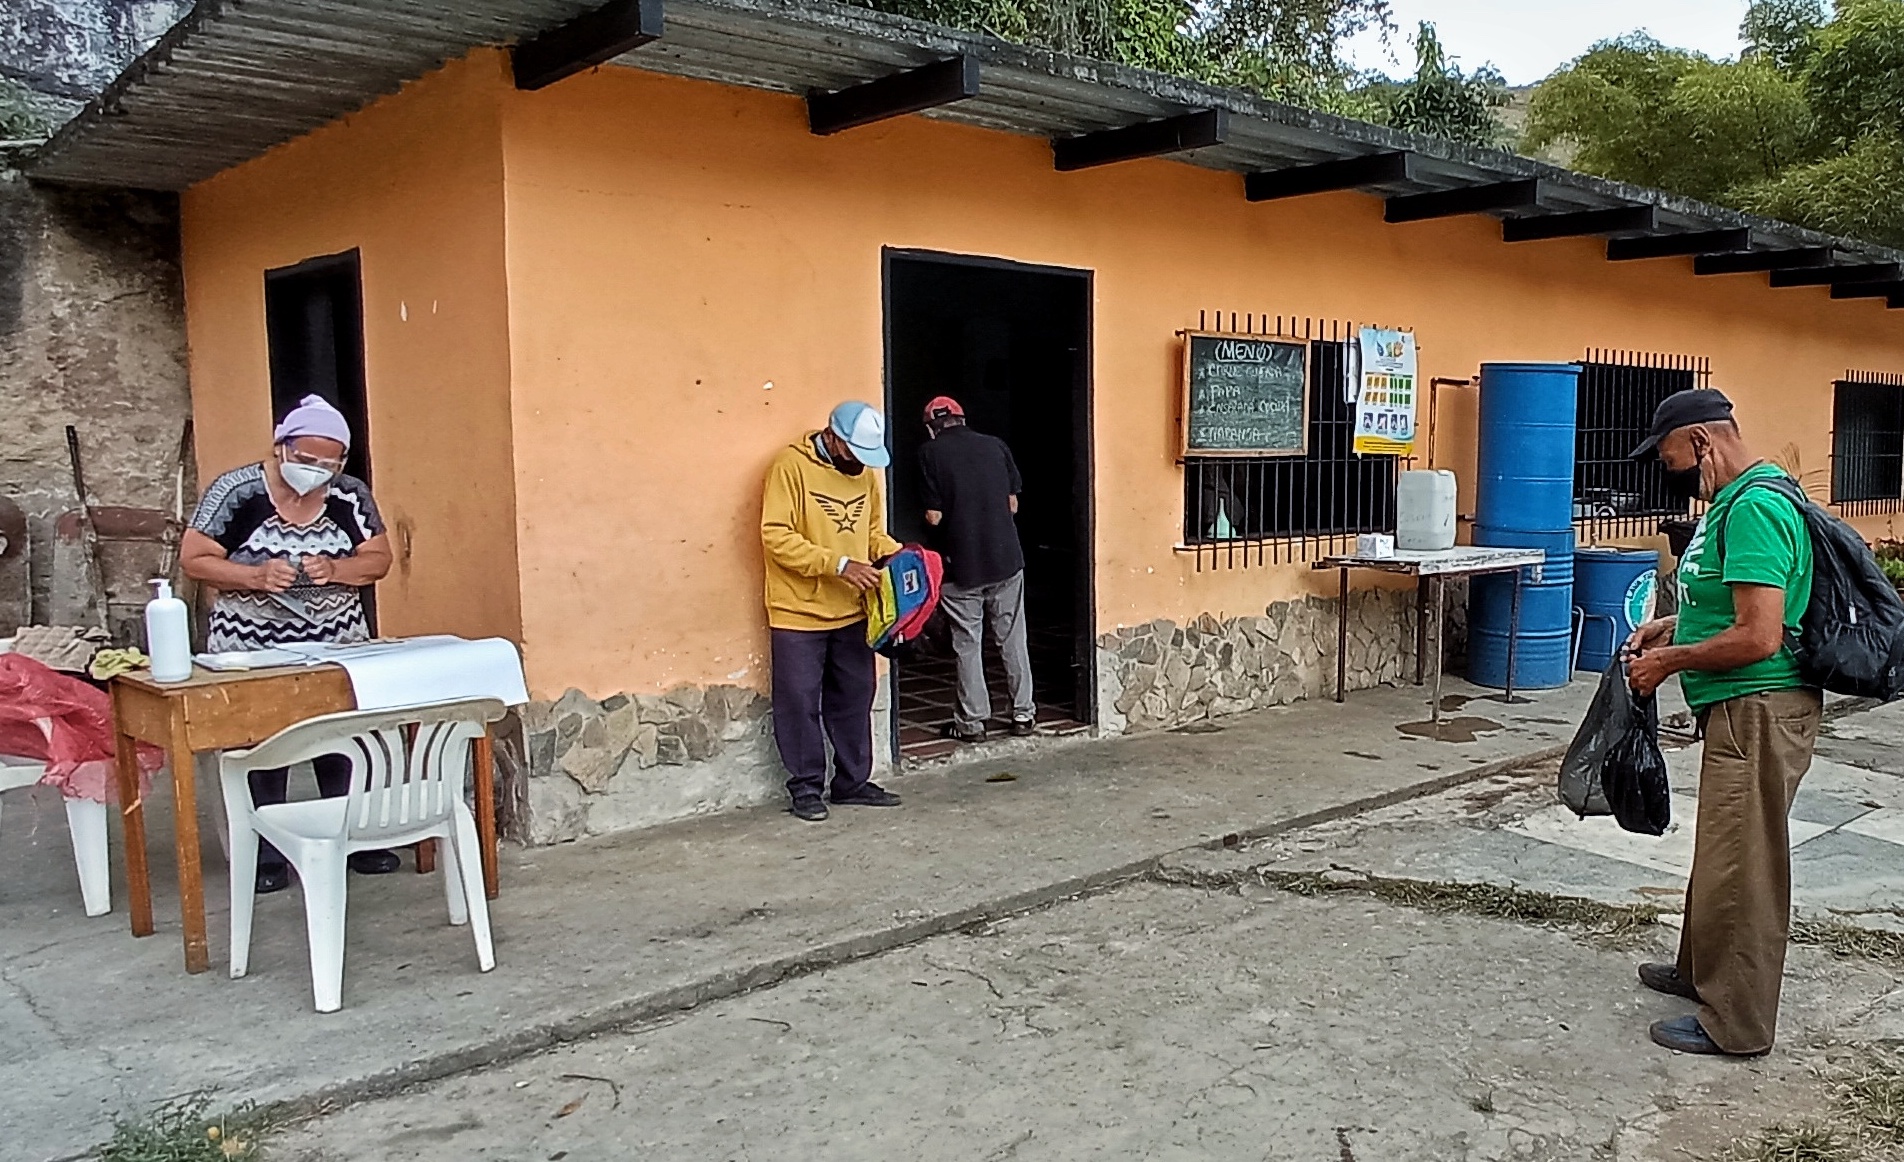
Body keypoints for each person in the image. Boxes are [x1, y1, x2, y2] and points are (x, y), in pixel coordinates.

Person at [1624, 387, 1818, 1057]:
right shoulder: (1734, 504)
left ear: (1702, 442)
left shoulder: (1757, 508)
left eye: (1671, 455)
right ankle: (1699, 970)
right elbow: (1731, 605)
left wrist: (1671, 661)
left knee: (1746, 862)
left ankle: (1736, 1022)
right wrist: (1673, 626)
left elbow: (1761, 635)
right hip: (1737, 708)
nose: (1670, 469)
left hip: (1761, 706)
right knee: (1720, 848)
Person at [180, 395, 396, 893]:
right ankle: (267, 852)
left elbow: (379, 559)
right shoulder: (236, 492)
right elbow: (195, 559)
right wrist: (253, 576)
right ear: (281, 447)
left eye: (328, 463)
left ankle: (353, 836)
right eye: (305, 459)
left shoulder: (348, 496)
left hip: (335, 642)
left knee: (342, 738)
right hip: (251, 646)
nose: (315, 471)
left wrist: (336, 570)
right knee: (262, 743)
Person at [760, 401, 905, 822]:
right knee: (799, 702)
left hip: (853, 609)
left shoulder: (866, 474)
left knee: (856, 697)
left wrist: (902, 557)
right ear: (834, 437)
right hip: (797, 612)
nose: (861, 463)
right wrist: (838, 565)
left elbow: (872, 532)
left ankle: (852, 782)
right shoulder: (789, 467)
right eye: (855, 453)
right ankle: (805, 787)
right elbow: (775, 535)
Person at [918, 396, 1036, 742]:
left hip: (960, 565)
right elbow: (1012, 505)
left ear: (931, 427)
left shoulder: (929, 453)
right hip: (1006, 560)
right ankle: (1023, 715)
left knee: (967, 643)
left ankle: (972, 723)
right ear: (962, 418)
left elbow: (933, 516)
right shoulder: (995, 446)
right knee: (1013, 638)